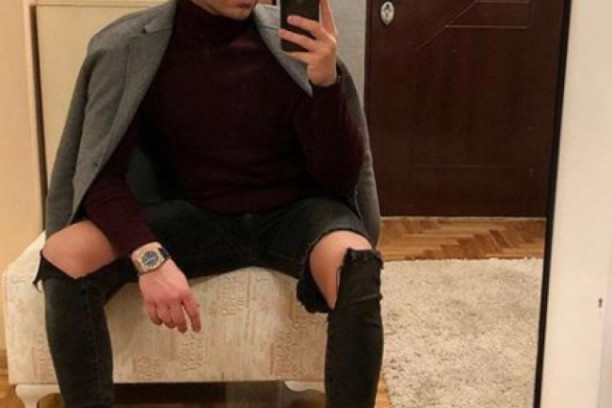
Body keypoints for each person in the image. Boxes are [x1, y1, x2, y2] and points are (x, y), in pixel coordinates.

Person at [32, 0, 384, 406]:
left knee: (355, 263)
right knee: (65, 254)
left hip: (295, 213)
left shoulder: (292, 43)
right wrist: (149, 257)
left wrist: (326, 84)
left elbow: (339, 178)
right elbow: (102, 177)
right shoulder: (128, 48)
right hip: (195, 215)